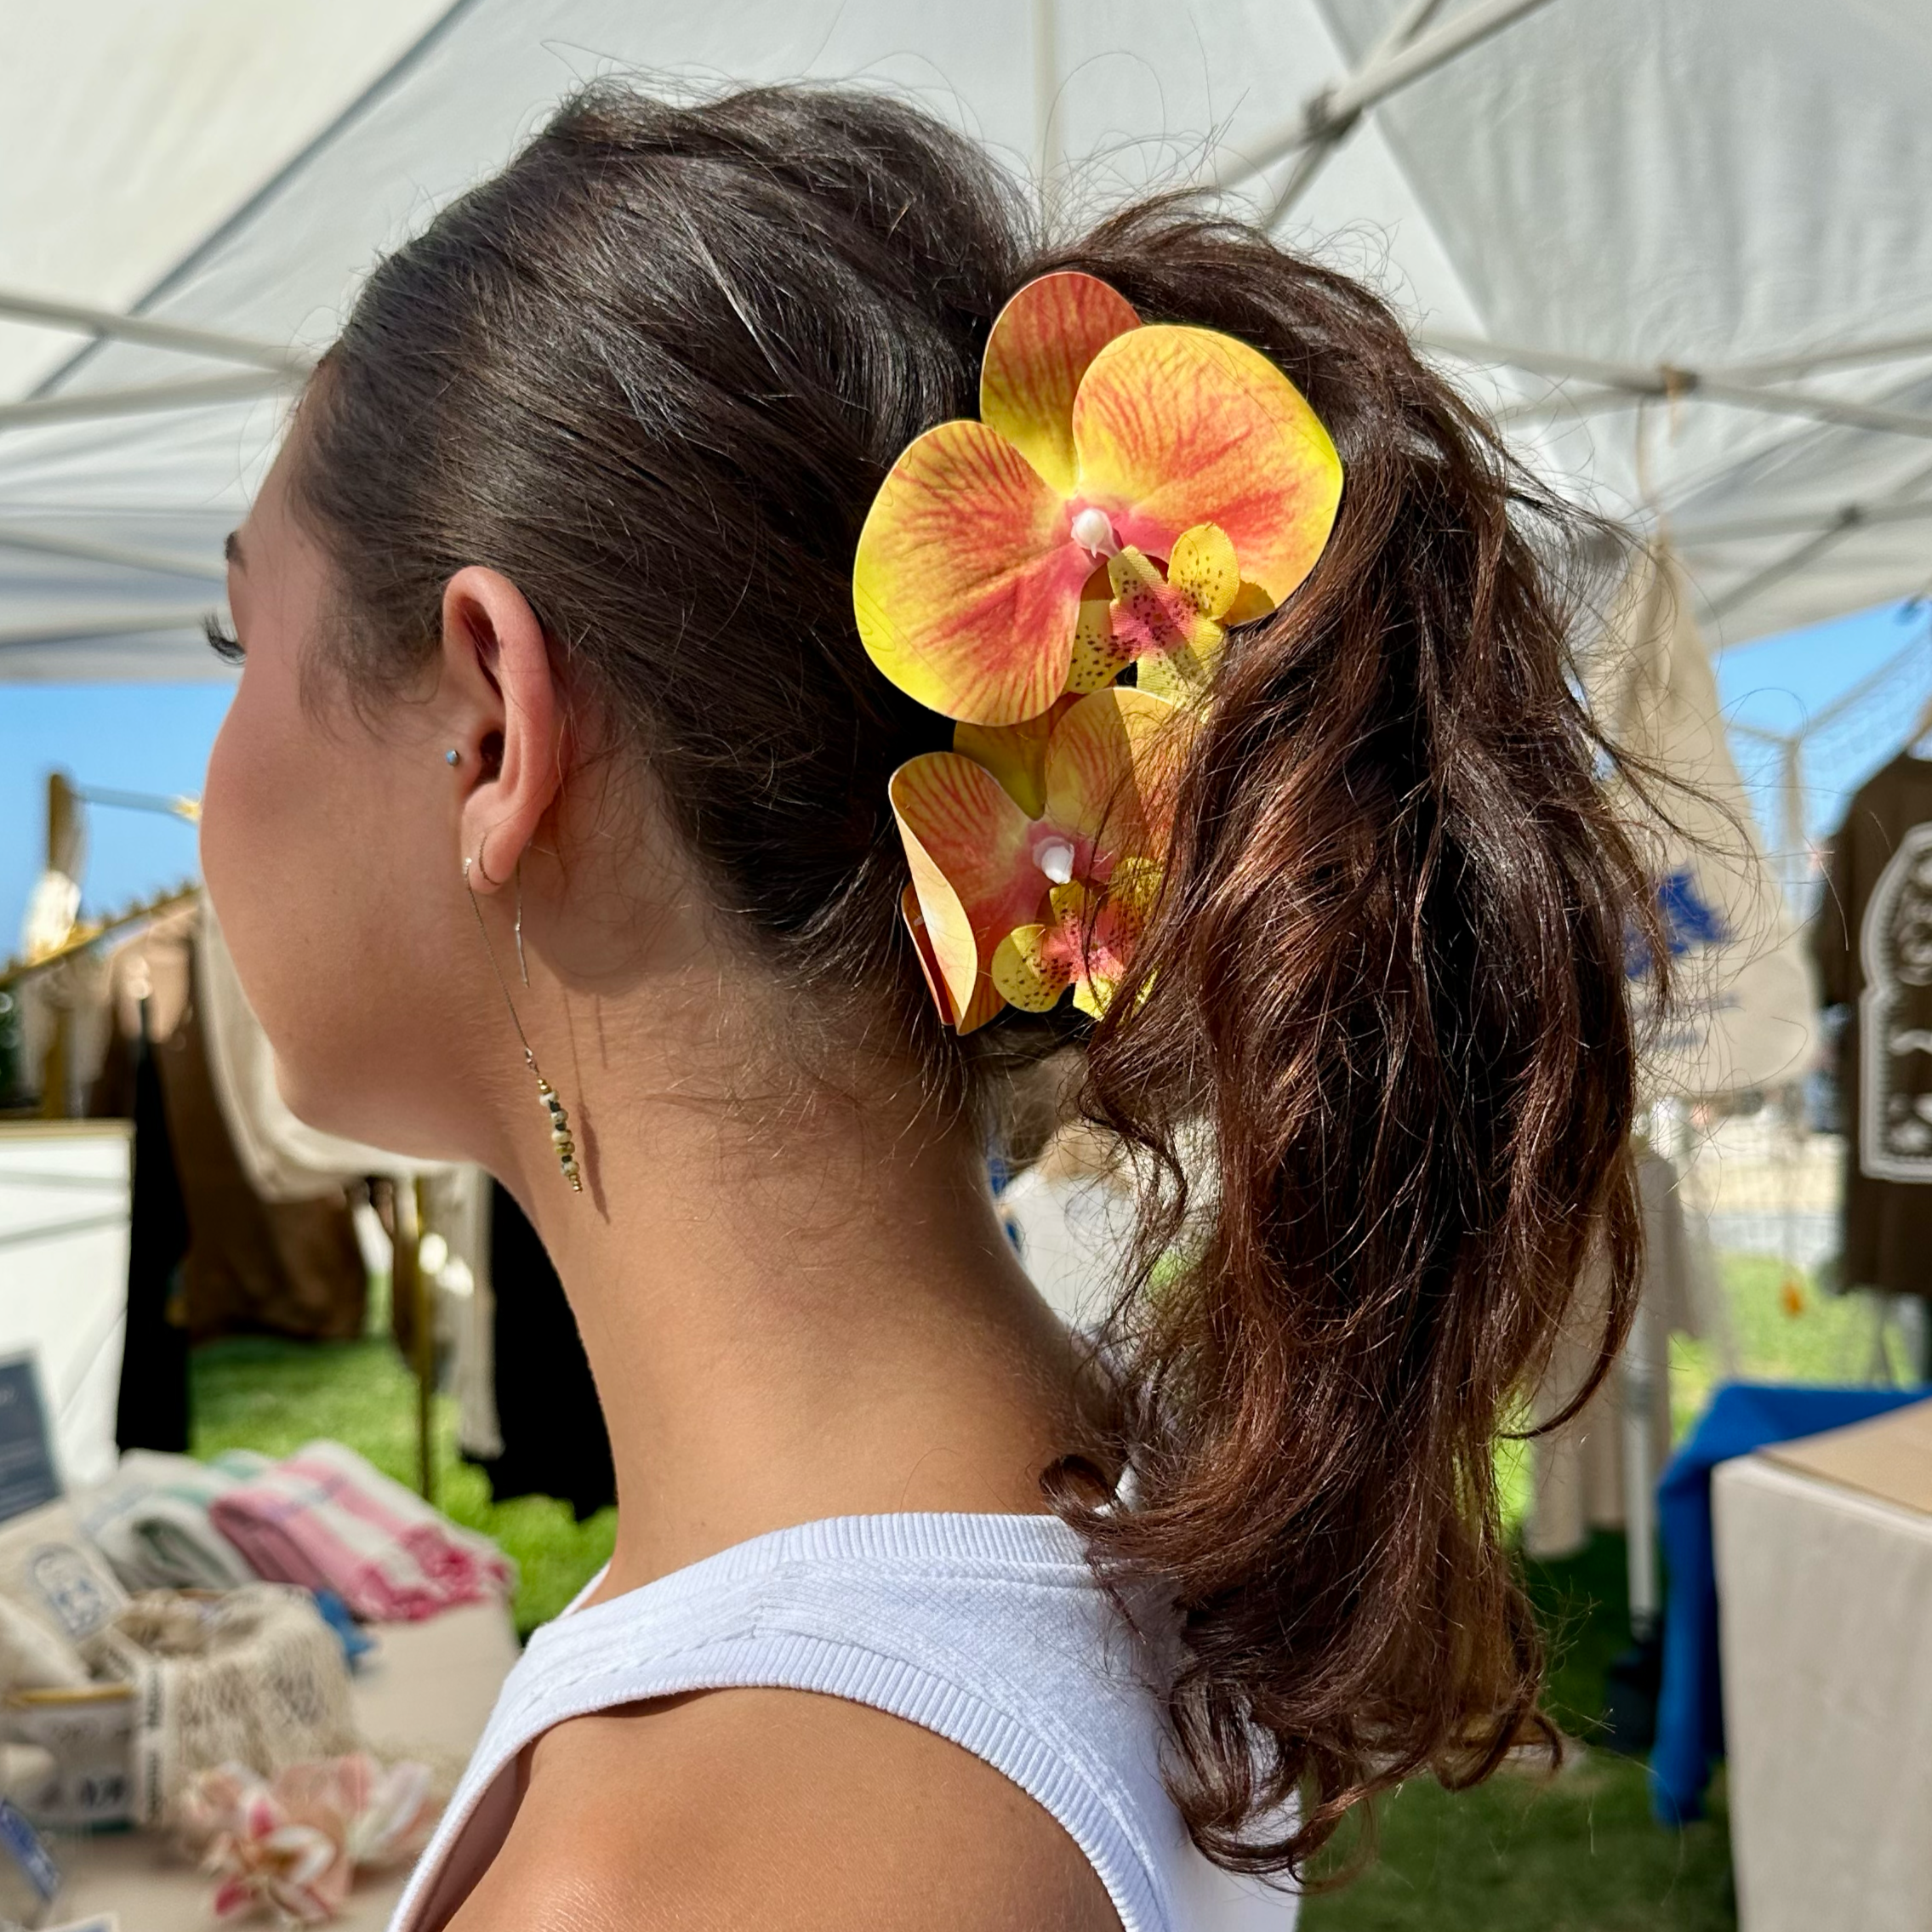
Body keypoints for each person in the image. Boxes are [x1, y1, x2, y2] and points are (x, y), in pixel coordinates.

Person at [200, 83, 1651, 1932]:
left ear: (491, 723)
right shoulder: (1078, 1491)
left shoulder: (698, 1870)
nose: (210, 778)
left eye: (238, 642)